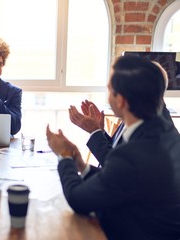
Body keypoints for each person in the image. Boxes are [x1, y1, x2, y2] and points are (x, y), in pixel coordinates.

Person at [46, 55, 180, 239]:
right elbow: (119, 180)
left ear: (121, 100)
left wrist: (64, 155)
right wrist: (79, 163)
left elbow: (77, 199)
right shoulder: (168, 135)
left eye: (109, 90)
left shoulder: (132, 154)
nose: (107, 95)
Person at [69, 61, 176, 165]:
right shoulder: (138, 112)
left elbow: (117, 167)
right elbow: (117, 151)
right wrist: (100, 131)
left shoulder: (154, 129)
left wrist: (94, 131)